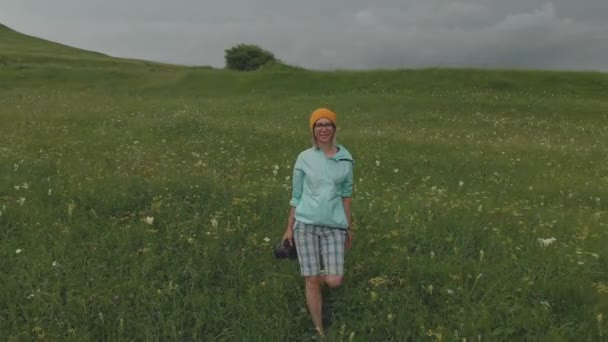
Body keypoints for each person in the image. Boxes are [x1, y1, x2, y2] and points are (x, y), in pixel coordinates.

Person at [282, 107, 354, 337]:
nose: (323, 129)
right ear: (313, 130)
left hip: (334, 227)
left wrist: (348, 227)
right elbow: (296, 196)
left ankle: (313, 275)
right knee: (312, 280)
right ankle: (319, 329)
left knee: (334, 279)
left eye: (328, 124)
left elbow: (346, 195)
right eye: (319, 125)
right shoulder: (304, 157)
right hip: (305, 225)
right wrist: (289, 228)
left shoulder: (346, 158)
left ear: (334, 128)